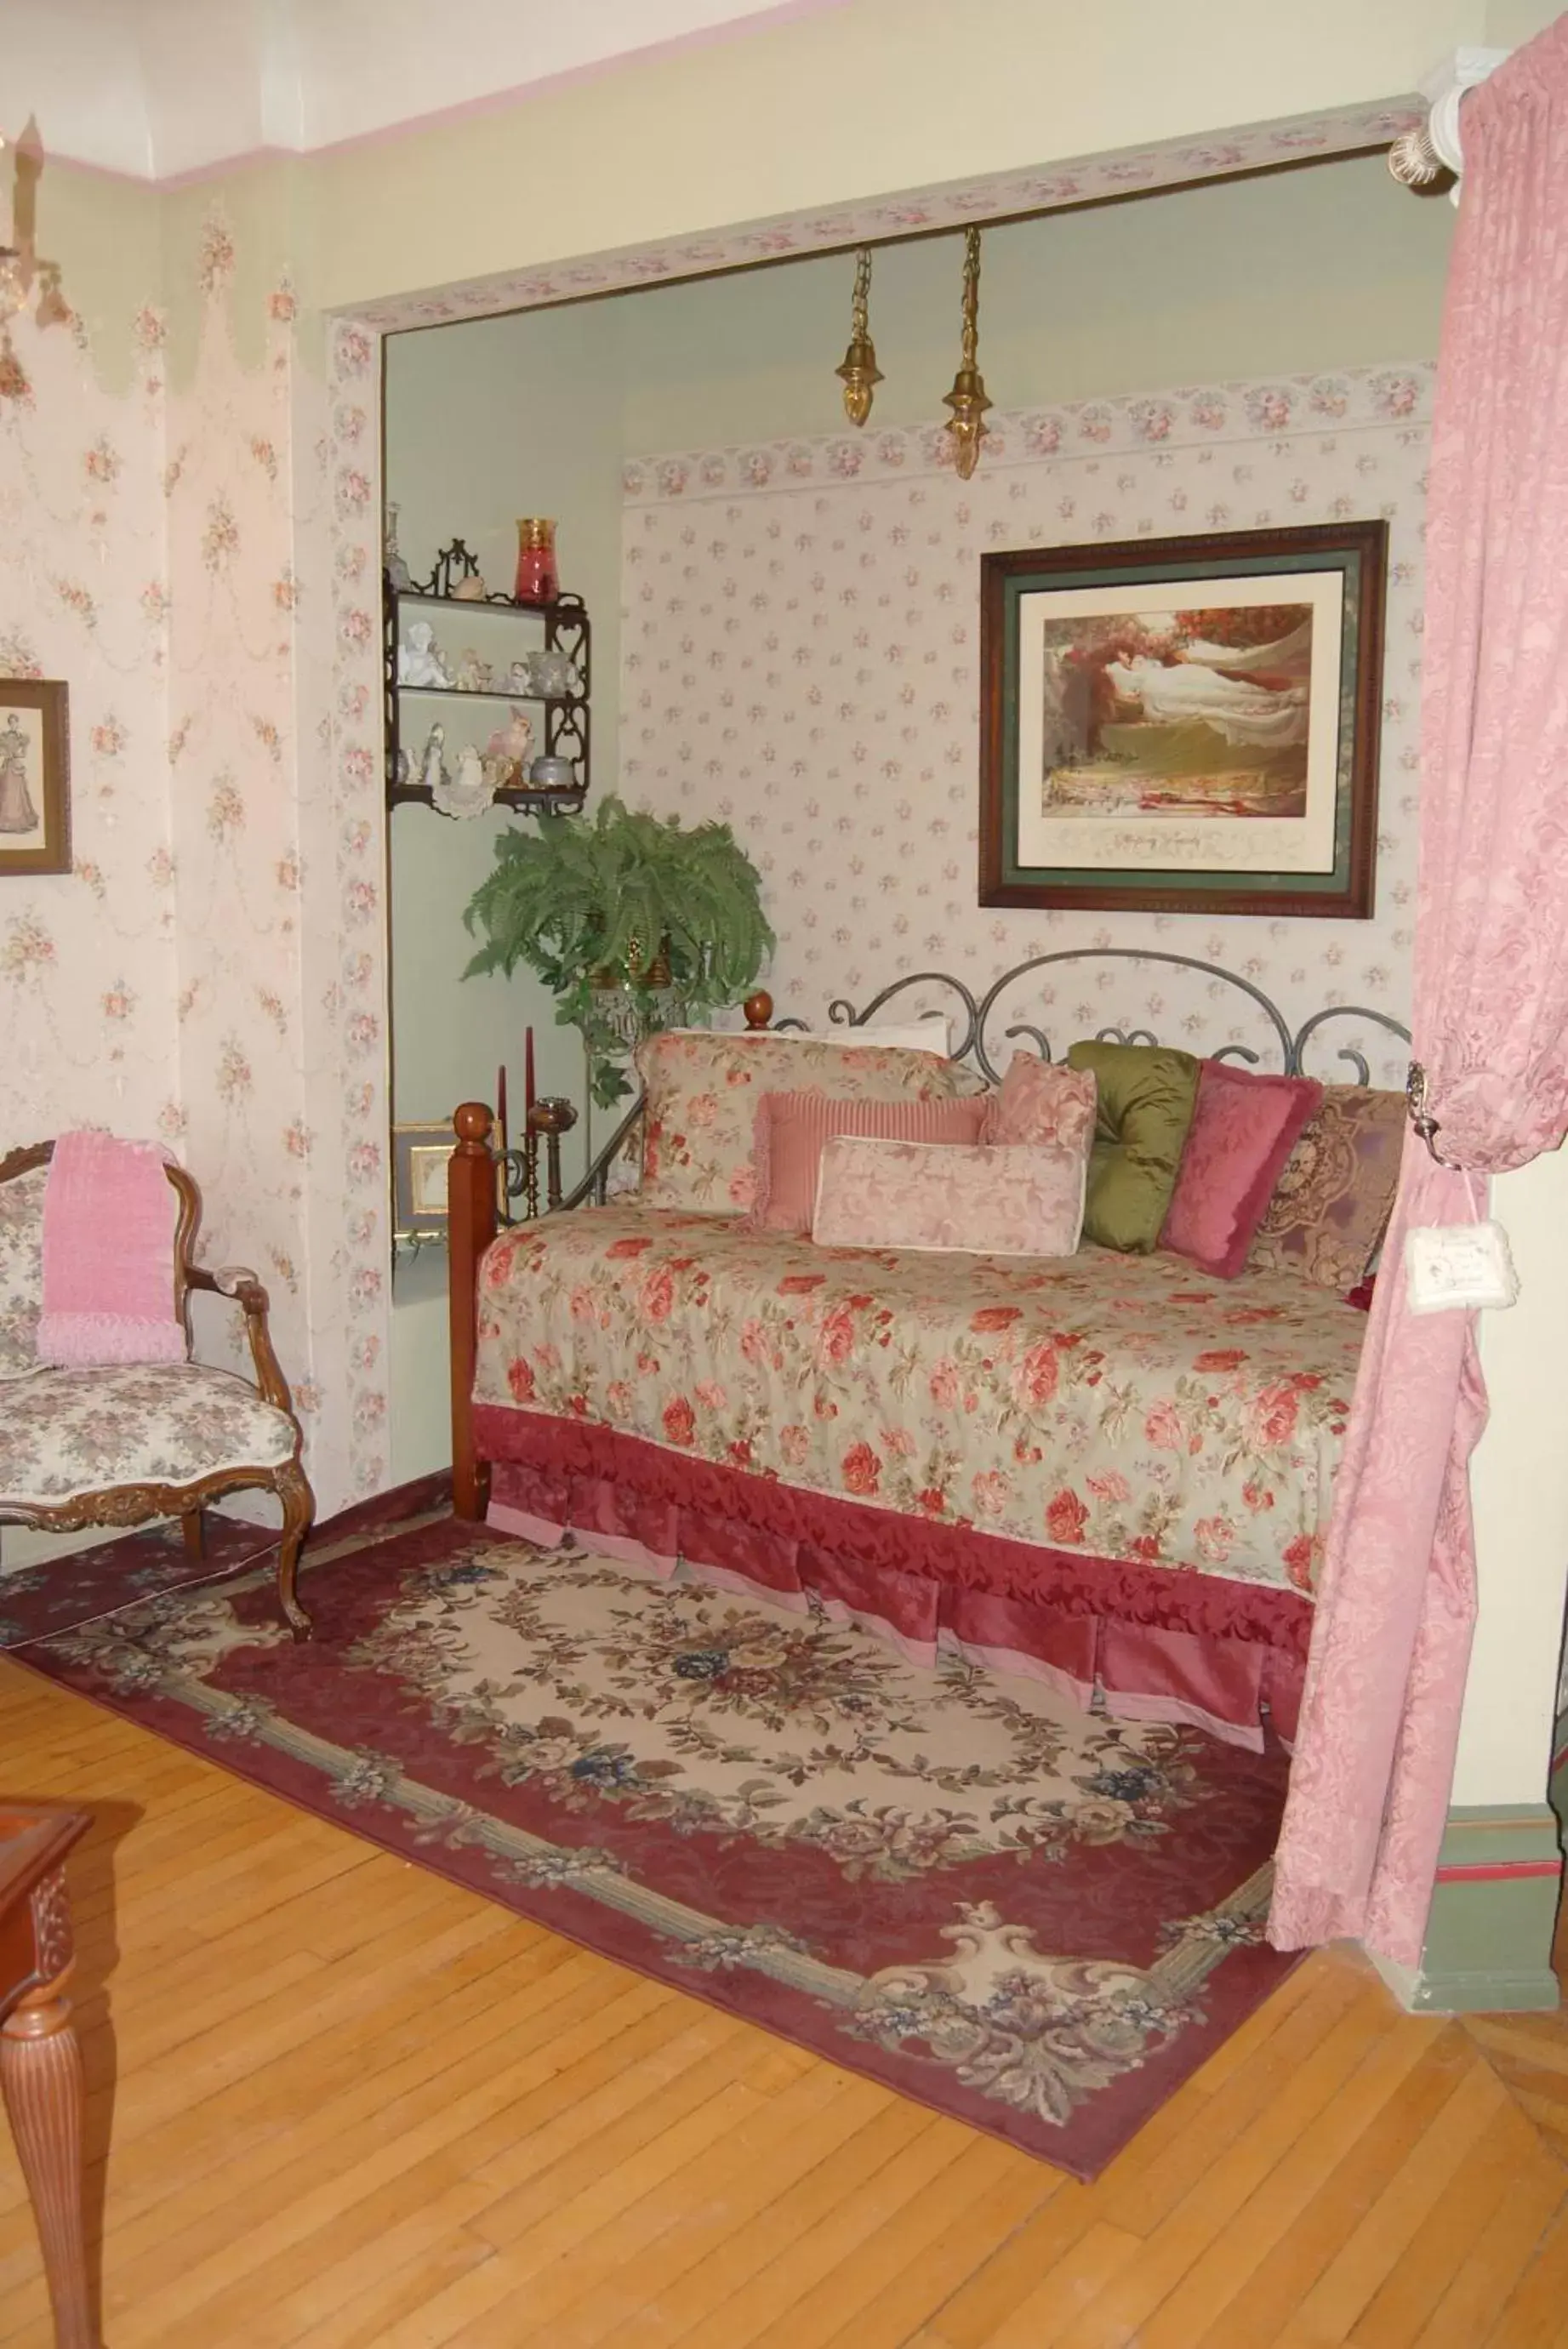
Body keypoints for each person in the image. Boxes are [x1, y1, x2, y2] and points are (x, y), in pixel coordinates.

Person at [0, 714, 38, 834]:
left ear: (17, 723)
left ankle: (19, 820)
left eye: (14, 722)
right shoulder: (4, 736)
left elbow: (24, 754)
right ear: (9, 723)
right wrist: (6, 754)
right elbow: (1, 751)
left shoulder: (22, 737)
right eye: (11, 722)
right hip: (7, 765)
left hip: (16, 765)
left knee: (18, 793)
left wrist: (15, 755)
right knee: (6, 791)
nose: (13, 724)